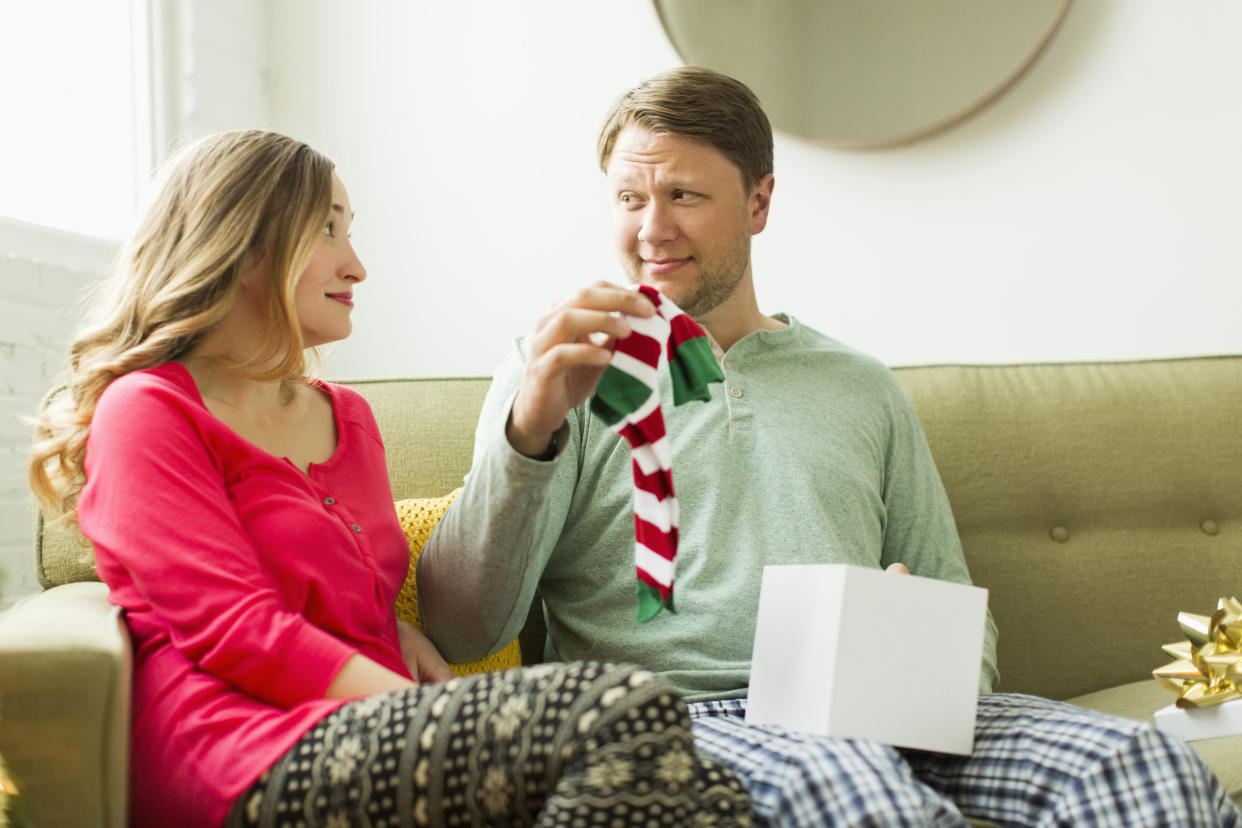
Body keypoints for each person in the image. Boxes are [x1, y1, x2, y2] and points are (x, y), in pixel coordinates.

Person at [417, 67, 1242, 826]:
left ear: (759, 203)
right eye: (630, 198)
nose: (651, 228)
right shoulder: (555, 371)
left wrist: (912, 647)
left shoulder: (860, 386)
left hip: (887, 705)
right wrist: (529, 434)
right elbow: (462, 627)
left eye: (683, 195)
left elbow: (957, 605)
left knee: (1148, 768)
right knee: (858, 791)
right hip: (678, 717)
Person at [27, 130, 752, 828]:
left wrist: (398, 636)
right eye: (328, 231)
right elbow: (236, 629)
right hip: (237, 752)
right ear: (242, 245)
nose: (357, 266)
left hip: (378, 740)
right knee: (622, 707)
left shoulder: (348, 420)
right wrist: (429, 708)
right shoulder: (149, 410)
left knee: (713, 791)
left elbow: (359, 601)